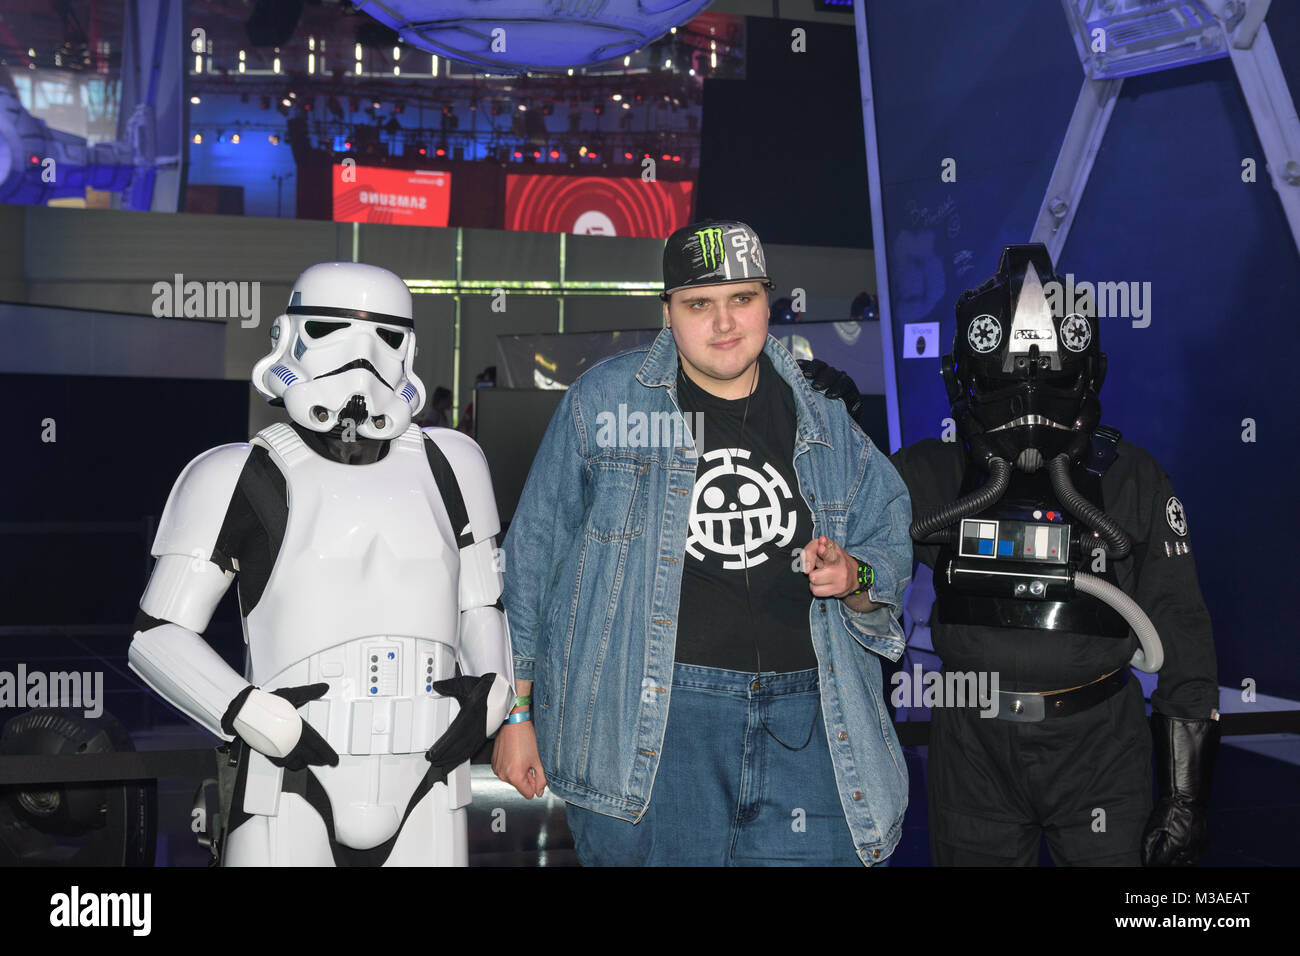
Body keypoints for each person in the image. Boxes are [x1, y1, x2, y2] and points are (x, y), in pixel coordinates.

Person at [492, 220, 914, 866]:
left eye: (741, 300)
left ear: (767, 301)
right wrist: (516, 716)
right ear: (668, 312)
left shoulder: (823, 417)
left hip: (810, 719)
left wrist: (854, 578)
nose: (723, 324)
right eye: (699, 305)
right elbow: (532, 564)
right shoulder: (606, 403)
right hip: (656, 723)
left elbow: (887, 539)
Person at [805, 244, 1219, 865]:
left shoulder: (1131, 480)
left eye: (1048, 378)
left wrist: (1186, 798)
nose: (1027, 402)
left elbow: (1182, 631)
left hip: (1100, 747)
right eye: (1005, 382)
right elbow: (838, 545)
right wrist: (820, 436)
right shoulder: (934, 475)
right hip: (974, 749)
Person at [128, 262, 514, 866]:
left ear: (408, 348)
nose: (360, 356)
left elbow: (481, 605)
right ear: (290, 337)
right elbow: (157, 636)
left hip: (429, 772)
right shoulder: (238, 474)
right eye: (333, 329)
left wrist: (492, 695)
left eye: (384, 336)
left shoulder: (454, 465)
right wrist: (248, 712)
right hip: (289, 775)